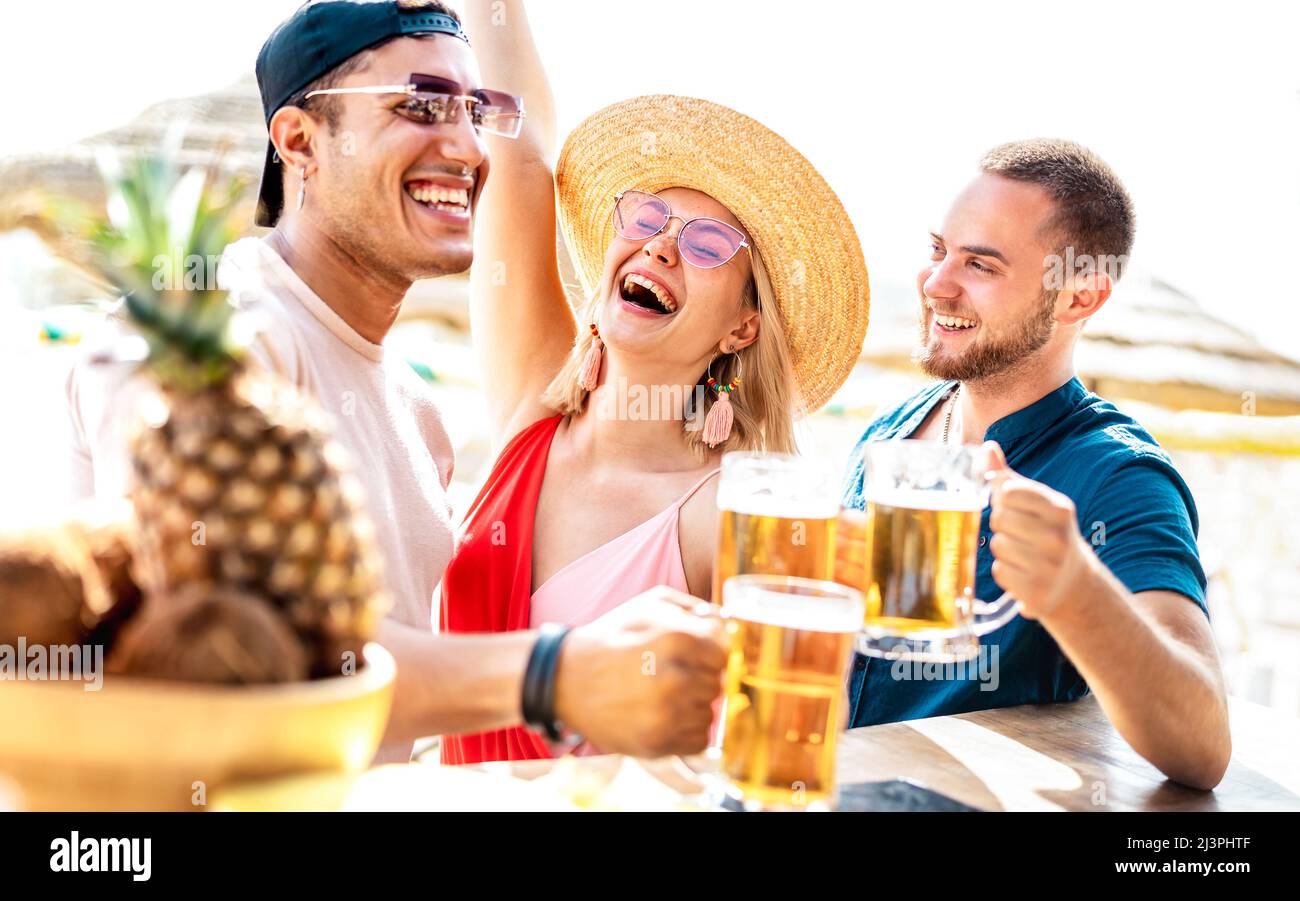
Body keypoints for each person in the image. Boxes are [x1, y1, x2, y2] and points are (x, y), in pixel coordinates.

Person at [65, 0, 727, 764]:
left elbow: (526, 157)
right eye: (419, 106)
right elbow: (239, 662)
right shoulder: (205, 336)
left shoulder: (419, 416)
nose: (465, 146)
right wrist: (554, 672)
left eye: (475, 112)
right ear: (300, 140)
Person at [437, 0, 870, 763]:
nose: (662, 246)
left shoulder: (730, 510)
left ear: (742, 328)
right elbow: (518, 140)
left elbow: (785, 737)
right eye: (646, 217)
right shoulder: (531, 403)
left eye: (707, 243)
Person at [836, 139, 1231, 789]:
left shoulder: (1118, 476)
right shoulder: (892, 429)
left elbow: (1204, 741)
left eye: (980, 265)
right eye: (939, 251)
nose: (936, 284)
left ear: (1081, 297)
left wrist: (1075, 587)